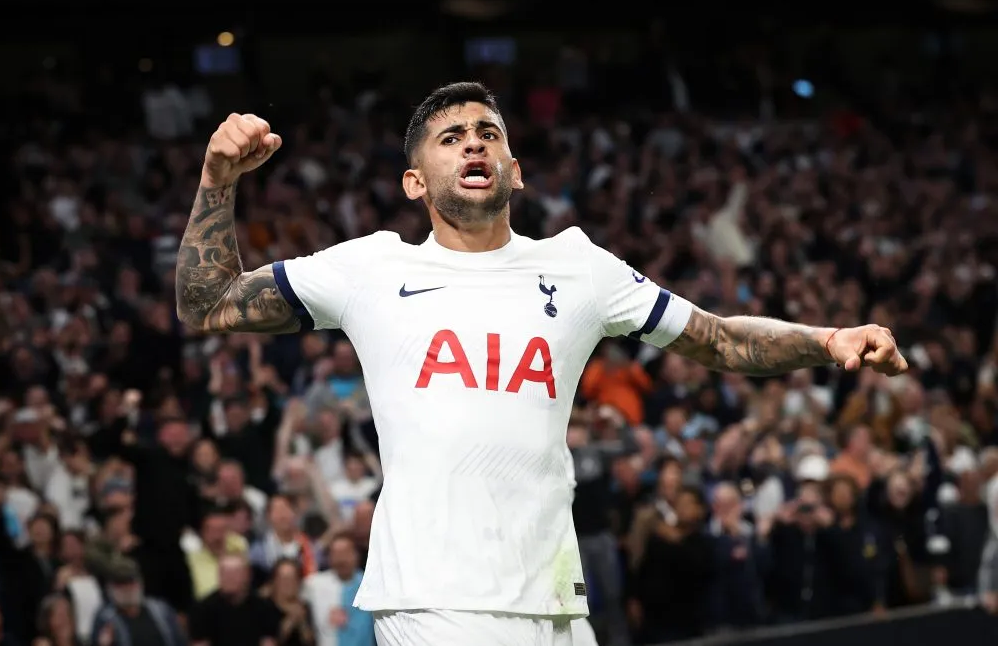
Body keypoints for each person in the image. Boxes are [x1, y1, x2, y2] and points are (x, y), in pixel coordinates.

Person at [174, 83, 909, 645]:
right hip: (431, 603)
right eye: (451, 137)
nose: (473, 145)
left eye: (488, 133)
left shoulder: (578, 265)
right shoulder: (368, 268)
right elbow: (206, 304)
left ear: (514, 170)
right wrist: (217, 179)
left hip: (556, 603)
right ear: (414, 182)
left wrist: (825, 338)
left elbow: (716, 337)